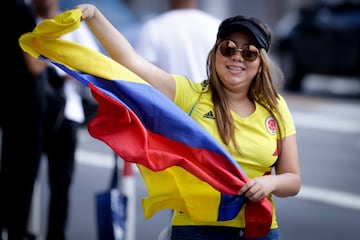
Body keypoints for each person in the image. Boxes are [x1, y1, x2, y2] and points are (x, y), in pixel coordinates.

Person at [77, 4, 302, 240]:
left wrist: (270, 184)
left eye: (249, 52)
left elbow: (293, 180)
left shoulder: (275, 106)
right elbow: (131, 61)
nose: (237, 57)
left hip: (259, 230)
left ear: (260, 63)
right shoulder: (190, 95)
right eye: (228, 48)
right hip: (196, 230)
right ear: (215, 53)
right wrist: (95, 15)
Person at [31, 0, 100, 239]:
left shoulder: (71, 25)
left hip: (66, 113)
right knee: (21, 182)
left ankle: (55, 234)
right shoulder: (26, 21)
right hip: (30, 115)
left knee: (60, 185)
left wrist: (64, 74)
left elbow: (91, 62)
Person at [0, 0, 47, 239]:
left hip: (6, 100)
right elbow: (34, 66)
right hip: (24, 105)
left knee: (6, 170)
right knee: (23, 175)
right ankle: (16, 231)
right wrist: (50, 50)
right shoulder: (21, 11)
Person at [135, 0, 220, 82]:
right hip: (210, 95)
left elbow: (140, 74)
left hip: (169, 95)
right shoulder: (217, 26)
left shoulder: (153, 28)